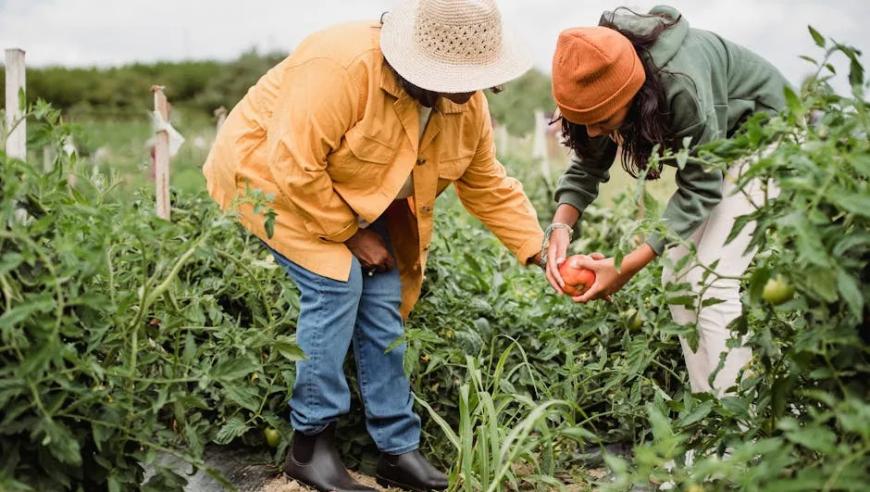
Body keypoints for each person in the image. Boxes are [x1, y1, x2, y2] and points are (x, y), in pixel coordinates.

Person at [202, 0, 544, 490]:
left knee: (383, 292)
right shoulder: (341, 67)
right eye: (454, 82)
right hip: (269, 180)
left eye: (475, 81)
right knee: (336, 283)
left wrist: (537, 248)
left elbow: (486, 181)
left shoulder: (464, 103)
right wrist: (353, 236)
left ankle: (395, 449)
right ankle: (310, 444)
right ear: (416, 63)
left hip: (349, 192)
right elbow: (293, 165)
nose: (466, 95)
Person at [543, 5, 787, 395]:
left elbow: (702, 186)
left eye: (604, 120)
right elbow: (587, 166)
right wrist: (560, 227)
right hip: (723, 151)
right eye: (583, 119)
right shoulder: (598, 75)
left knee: (712, 279)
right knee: (677, 278)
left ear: (635, 96)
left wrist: (623, 266)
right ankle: (708, 420)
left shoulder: (680, 84)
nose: (592, 130)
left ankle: (741, 436)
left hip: (770, 137)